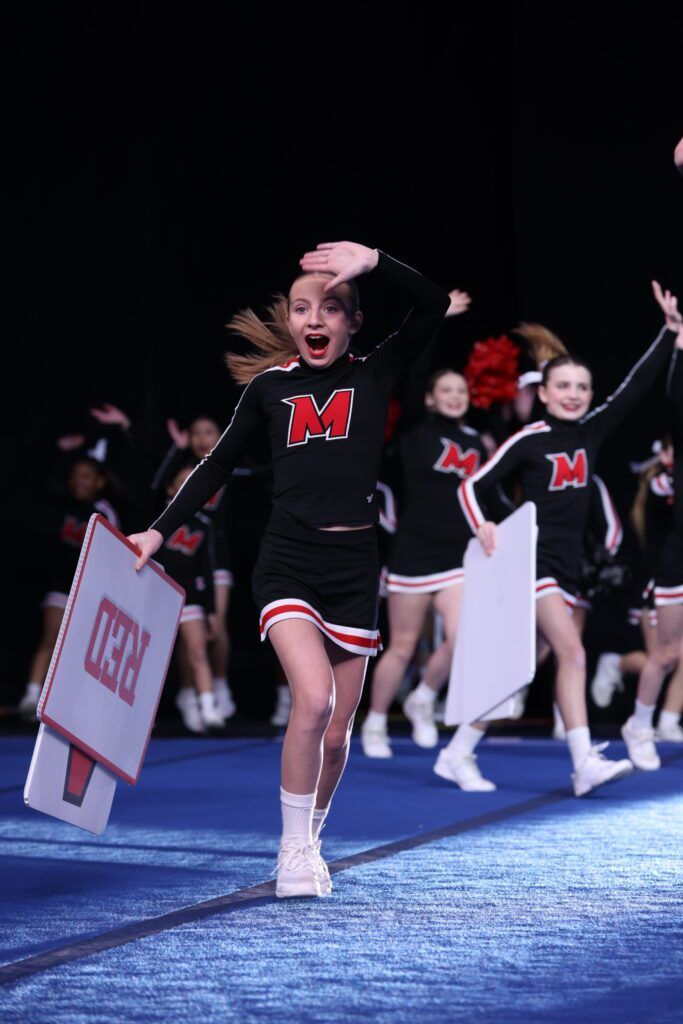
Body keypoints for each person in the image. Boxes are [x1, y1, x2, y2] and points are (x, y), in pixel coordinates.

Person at [127, 241, 451, 897]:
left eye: (331, 307)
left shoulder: (376, 372)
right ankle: (291, 852)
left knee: (336, 734)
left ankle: (312, 839)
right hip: (288, 563)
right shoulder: (269, 389)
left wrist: (375, 262)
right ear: (289, 321)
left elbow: (433, 304)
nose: (315, 318)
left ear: (352, 323)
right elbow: (215, 464)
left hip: (354, 570)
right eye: (302, 307)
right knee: (312, 700)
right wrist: (159, 532)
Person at [458, 281, 683, 796]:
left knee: (526, 665)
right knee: (573, 653)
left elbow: (633, 387)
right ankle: (584, 762)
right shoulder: (528, 439)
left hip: (565, 565)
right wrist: (484, 525)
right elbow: (473, 486)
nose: (575, 394)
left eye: (582, 387)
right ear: (543, 393)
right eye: (564, 387)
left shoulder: (592, 432)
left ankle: (457, 752)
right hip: (530, 563)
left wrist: (668, 335)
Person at [361, 366, 510, 793]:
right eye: (445, 389)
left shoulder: (477, 443)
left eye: (461, 389)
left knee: (466, 638)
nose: (454, 395)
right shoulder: (414, 430)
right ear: (429, 397)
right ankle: (374, 722)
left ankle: (423, 697)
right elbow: (408, 381)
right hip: (412, 552)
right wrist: (438, 317)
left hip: (457, 555)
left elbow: (488, 496)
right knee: (403, 645)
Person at [623, 313, 683, 765]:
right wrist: (679, 346)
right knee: (666, 654)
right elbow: (676, 398)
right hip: (676, 563)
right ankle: (639, 723)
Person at [19, 457, 119, 719]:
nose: (80, 481)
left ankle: (82, 705)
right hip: (61, 582)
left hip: (90, 587)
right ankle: (32, 696)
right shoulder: (61, 505)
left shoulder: (104, 511)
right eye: (76, 475)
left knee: (84, 650)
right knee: (50, 638)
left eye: (87, 476)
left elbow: (112, 553)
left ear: (99, 482)